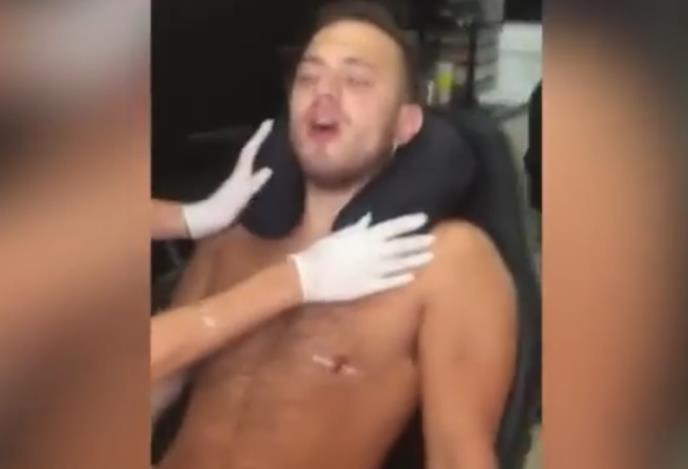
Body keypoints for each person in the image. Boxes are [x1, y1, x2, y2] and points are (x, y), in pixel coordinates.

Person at [156, 3, 516, 469]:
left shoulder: (446, 263)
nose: (323, 93)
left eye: (357, 80)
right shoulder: (231, 235)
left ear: (405, 124)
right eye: (308, 78)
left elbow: (459, 458)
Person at [151, 122, 437, 414]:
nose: (326, 99)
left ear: (406, 123)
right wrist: (295, 280)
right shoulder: (228, 242)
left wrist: (188, 218)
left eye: (359, 90)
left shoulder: (440, 262)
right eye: (307, 87)